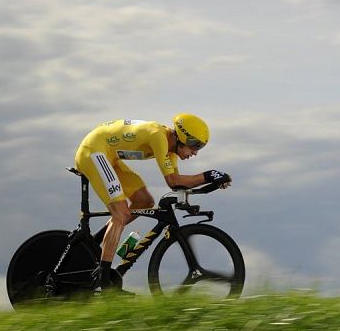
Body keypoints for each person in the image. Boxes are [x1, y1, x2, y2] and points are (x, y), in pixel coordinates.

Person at [74, 113, 232, 293]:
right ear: (182, 137)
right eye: (194, 146)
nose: (195, 152)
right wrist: (209, 175)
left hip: (108, 155)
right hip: (93, 151)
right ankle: (102, 282)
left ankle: (95, 245)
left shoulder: (170, 150)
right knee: (121, 213)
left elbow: (178, 183)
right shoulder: (158, 137)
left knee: (144, 201)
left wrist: (211, 182)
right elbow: (173, 181)